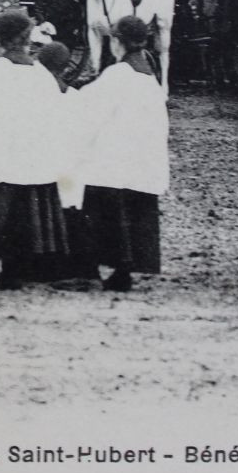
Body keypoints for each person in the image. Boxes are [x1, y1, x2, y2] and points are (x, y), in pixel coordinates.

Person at [0, 10, 71, 290]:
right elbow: (54, 120)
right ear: (28, 39)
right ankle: (15, 271)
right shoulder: (43, 76)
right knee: (24, 216)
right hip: (32, 161)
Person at [64, 15, 170, 292]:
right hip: (142, 159)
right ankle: (124, 270)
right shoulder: (149, 74)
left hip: (114, 160)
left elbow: (89, 110)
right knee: (133, 216)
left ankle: (87, 270)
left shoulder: (118, 75)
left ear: (118, 43)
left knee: (95, 208)